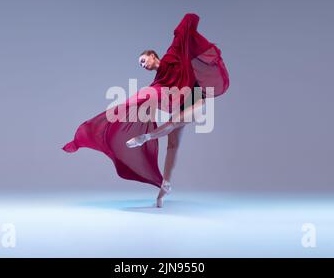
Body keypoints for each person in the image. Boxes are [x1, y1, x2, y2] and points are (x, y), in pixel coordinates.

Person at [62, 13, 230, 208]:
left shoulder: (172, 55)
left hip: (196, 97)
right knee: (172, 144)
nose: (142, 65)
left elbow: (189, 20)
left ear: (152, 56)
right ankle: (165, 185)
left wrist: (187, 31)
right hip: (179, 98)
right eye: (140, 65)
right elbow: (154, 93)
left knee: (173, 123)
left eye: (143, 61)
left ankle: (146, 138)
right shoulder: (158, 80)